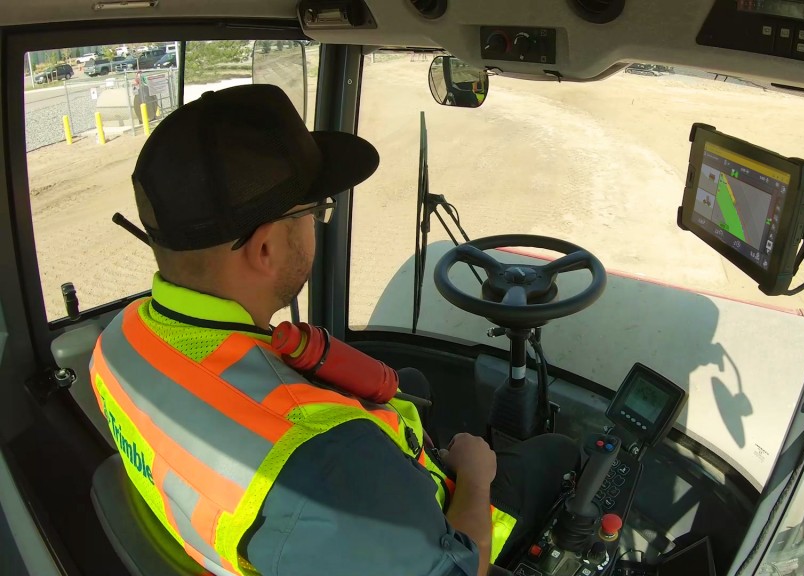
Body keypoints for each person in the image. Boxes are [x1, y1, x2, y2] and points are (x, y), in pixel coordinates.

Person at [89, 84, 577, 576]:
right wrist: (475, 477)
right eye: (316, 211)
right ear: (266, 250)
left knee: (413, 384)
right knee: (556, 453)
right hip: (419, 527)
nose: (320, 224)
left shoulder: (118, 339)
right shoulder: (326, 461)